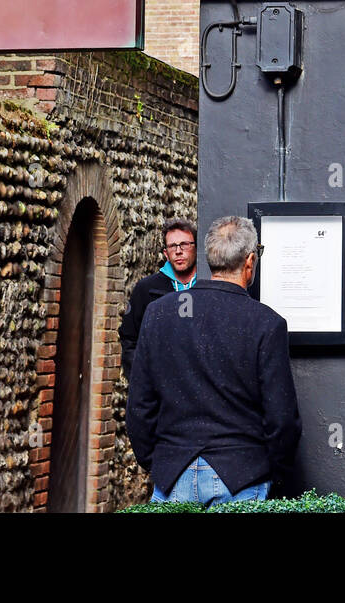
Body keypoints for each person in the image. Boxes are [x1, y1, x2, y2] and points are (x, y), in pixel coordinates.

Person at [126, 215, 301, 506]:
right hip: (243, 475)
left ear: (209, 257)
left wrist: (160, 463)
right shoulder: (266, 323)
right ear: (249, 262)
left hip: (173, 473)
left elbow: (139, 407)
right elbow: (282, 419)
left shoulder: (159, 313)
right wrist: (271, 471)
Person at [119, 218, 199, 381]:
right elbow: (129, 339)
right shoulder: (146, 289)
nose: (178, 251)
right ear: (165, 253)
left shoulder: (208, 286)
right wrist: (143, 381)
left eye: (184, 244)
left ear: (196, 248)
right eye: (172, 246)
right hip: (159, 389)